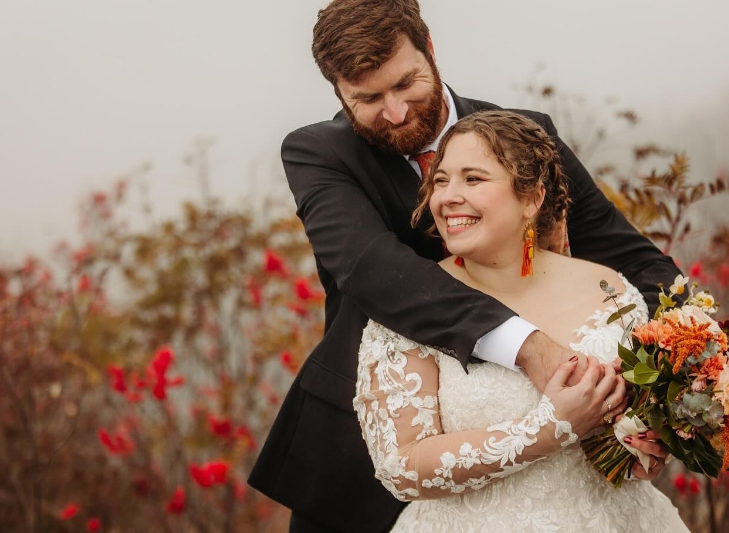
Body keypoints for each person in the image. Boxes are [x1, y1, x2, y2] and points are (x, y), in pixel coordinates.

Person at [248, 1, 682, 531]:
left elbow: (633, 259)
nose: (395, 112)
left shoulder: (528, 134)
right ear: (339, 92)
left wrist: (673, 381)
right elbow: (371, 269)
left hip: (561, 476)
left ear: (429, 50)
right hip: (362, 459)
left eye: (405, 84)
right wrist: (528, 347)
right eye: (368, 98)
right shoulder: (319, 153)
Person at [354, 110, 688, 532]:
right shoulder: (411, 304)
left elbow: (644, 418)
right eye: (440, 181)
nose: (448, 197)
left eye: (473, 179)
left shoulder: (609, 288)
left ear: (531, 198)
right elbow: (399, 466)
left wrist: (645, 443)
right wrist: (548, 429)